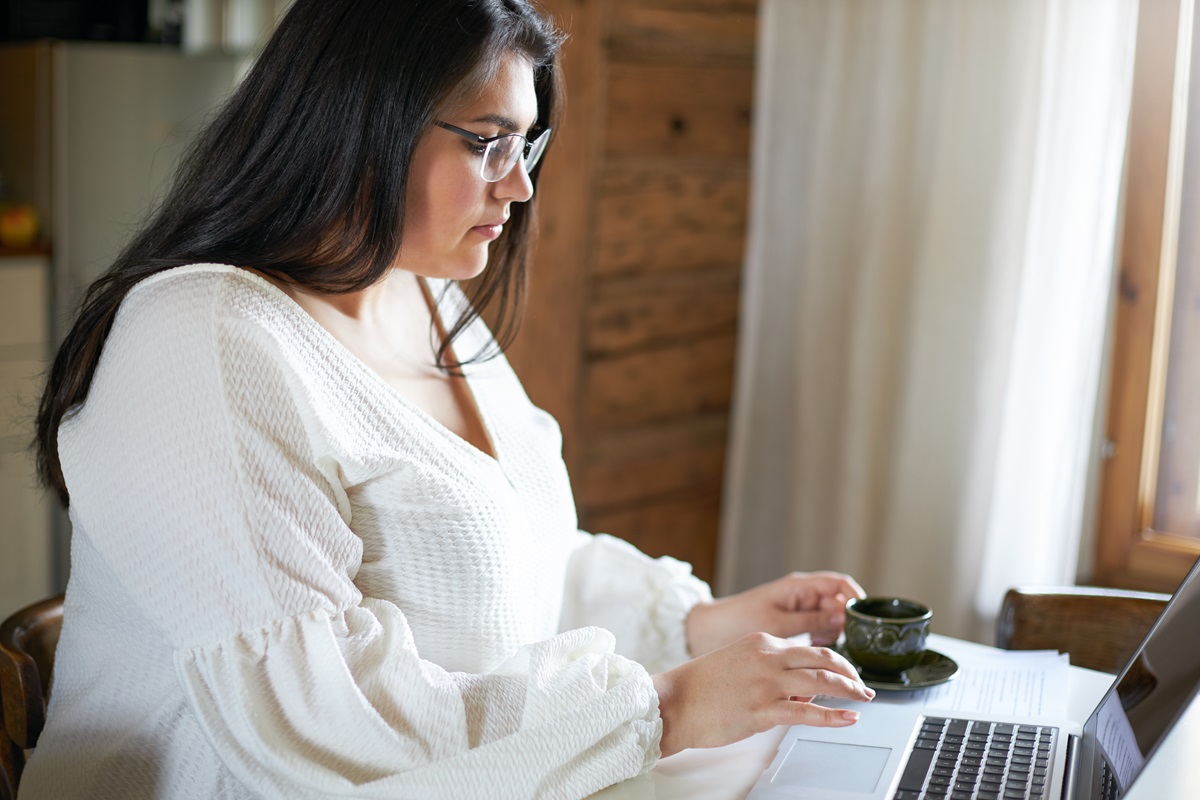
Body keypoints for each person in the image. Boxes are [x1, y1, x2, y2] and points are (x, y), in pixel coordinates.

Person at [23, 1, 874, 798]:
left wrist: (693, 625)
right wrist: (668, 705)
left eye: (526, 146)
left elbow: (515, 554)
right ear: (358, 119)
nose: (519, 187)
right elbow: (316, 722)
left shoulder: (421, 291)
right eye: (487, 142)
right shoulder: (206, 339)